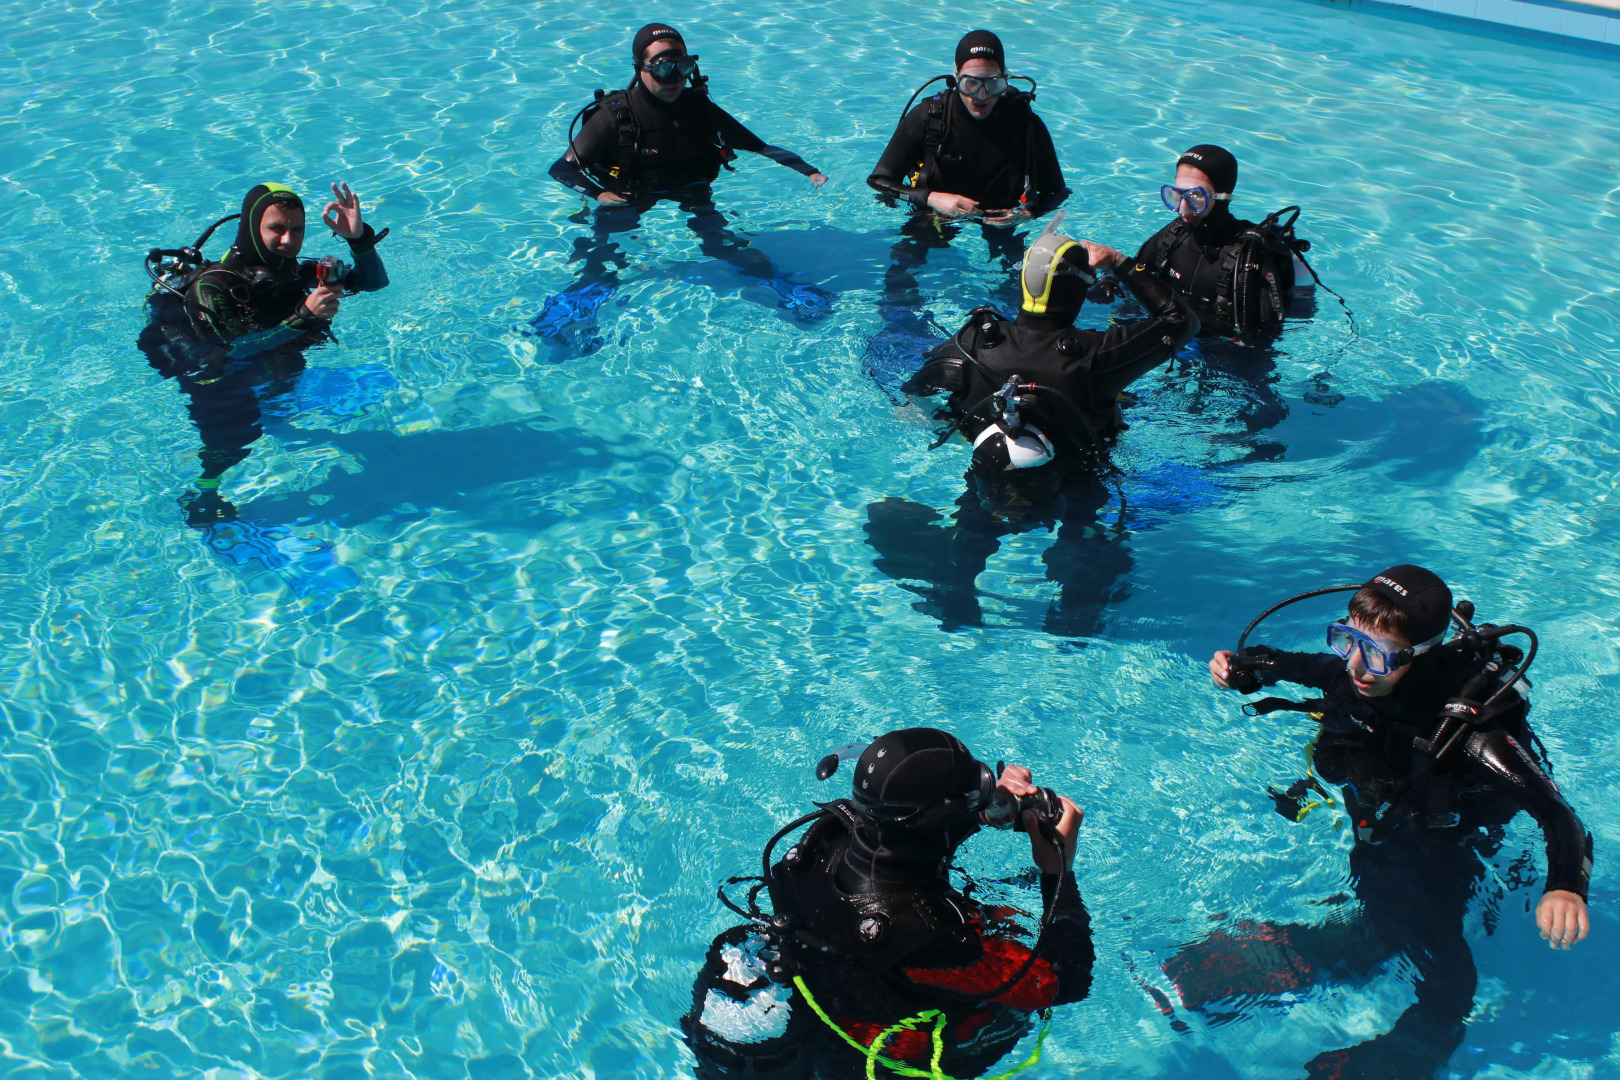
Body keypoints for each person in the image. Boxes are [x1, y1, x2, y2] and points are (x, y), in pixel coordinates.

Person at [1178, 564, 1593, 1078]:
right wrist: (1239, 669)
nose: (1355, 664)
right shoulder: (1355, 674)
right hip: (1381, 826)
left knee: (1443, 959)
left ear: (1420, 657)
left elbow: (1559, 816)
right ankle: (1360, 939)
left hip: (1441, 843)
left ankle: (1427, 1034)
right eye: (1346, 640)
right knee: (1384, 892)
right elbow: (1283, 663)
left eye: (1376, 653)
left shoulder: (1470, 734)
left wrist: (1566, 888)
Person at [683, 728, 1092, 1079]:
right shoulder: (928, 939)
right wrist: (1058, 869)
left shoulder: (822, 842)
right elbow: (1067, 982)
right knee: (1014, 992)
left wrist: (989, 810)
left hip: (823, 980)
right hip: (865, 1053)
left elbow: (906, 832)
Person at [862, 215, 1197, 637]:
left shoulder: (974, 341)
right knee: (1085, 533)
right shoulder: (1097, 355)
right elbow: (1180, 321)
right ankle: (1073, 617)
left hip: (993, 475)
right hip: (1079, 478)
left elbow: (914, 393)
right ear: (1078, 289)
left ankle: (956, 592)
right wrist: (1120, 264)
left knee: (977, 515)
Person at [539, 23, 830, 355]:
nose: (675, 78)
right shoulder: (614, 115)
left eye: (684, 67)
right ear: (641, 67)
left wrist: (808, 170)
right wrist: (597, 194)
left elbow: (755, 144)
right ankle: (568, 316)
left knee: (721, 242)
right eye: (663, 68)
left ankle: (780, 288)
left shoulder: (698, 108)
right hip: (630, 193)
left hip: (690, 186)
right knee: (605, 254)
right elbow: (561, 168)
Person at [139, 182, 389, 525]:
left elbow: (373, 282)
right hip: (214, 373)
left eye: (297, 229)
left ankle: (276, 423)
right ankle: (205, 491)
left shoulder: (296, 272)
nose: (288, 240)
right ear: (252, 228)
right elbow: (227, 351)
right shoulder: (213, 285)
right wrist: (304, 318)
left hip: (271, 361)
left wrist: (358, 240)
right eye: (276, 228)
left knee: (281, 391)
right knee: (234, 437)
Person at [863, 30, 1069, 392]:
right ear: (955, 75)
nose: (982, 96)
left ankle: (1017, 356)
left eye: (993, 84)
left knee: (1019, 287)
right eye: (971, 84)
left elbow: (1056, 191)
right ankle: (899, 338)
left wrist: (1027, 215)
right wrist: (931, 198)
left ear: (1007, 79)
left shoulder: (1024, 122)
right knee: (903, 272)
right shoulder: (930, 117)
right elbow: (880, 179)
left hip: (1002, 219)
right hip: (935, 215)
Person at [1133, 144, 1311, 343]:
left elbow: (1263, 341)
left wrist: (1209, 327)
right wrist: (1110, 280)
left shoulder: (1249, 257)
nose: (1182, 209)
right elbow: (1135, 275)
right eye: (1176, 194)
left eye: (1195, 197)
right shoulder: (1174, 235)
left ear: (1221, 197)